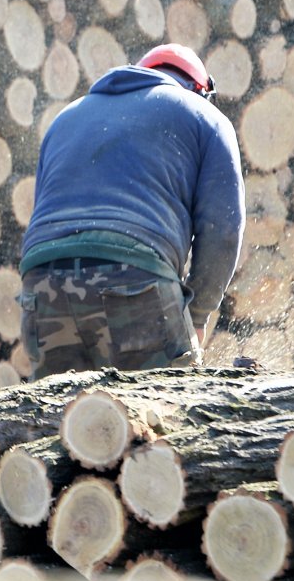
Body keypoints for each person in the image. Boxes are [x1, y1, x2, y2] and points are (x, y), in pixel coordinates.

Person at [16, 43, 243, 378]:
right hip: (134, 281)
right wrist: (196, 317)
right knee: (165, 418)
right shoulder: (204, 116)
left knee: (61, 419)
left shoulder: (65, 118)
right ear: (200, 88)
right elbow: (223, 231)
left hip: (42, 286)